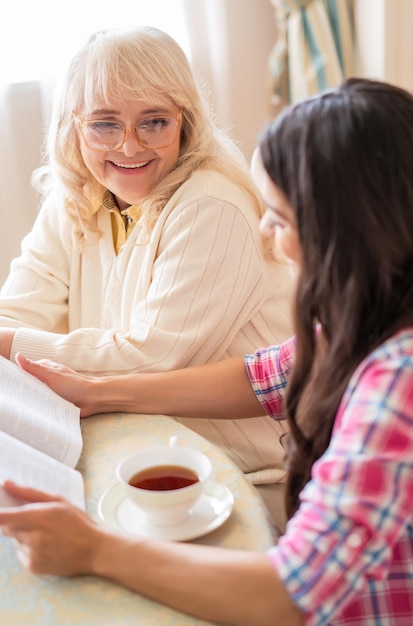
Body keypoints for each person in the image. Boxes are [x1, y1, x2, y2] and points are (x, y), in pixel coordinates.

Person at [3, 76, 413, 625]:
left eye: (281, 216)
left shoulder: (397, 378)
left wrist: (95, 548)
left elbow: (290, 594)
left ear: (343, 232)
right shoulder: (374, 312)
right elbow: (265, 377)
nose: (266, 232)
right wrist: (97, 391)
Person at [0, 26, 295, 528]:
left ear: (186, 121)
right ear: (75, 126)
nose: (129, 145)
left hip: (250, 479)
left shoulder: (211, 204)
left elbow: (153, 357)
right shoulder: (75, 198)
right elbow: (18, 312)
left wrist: (9, 346)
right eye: (104, 124)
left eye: (154, 121)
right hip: (140, 453)